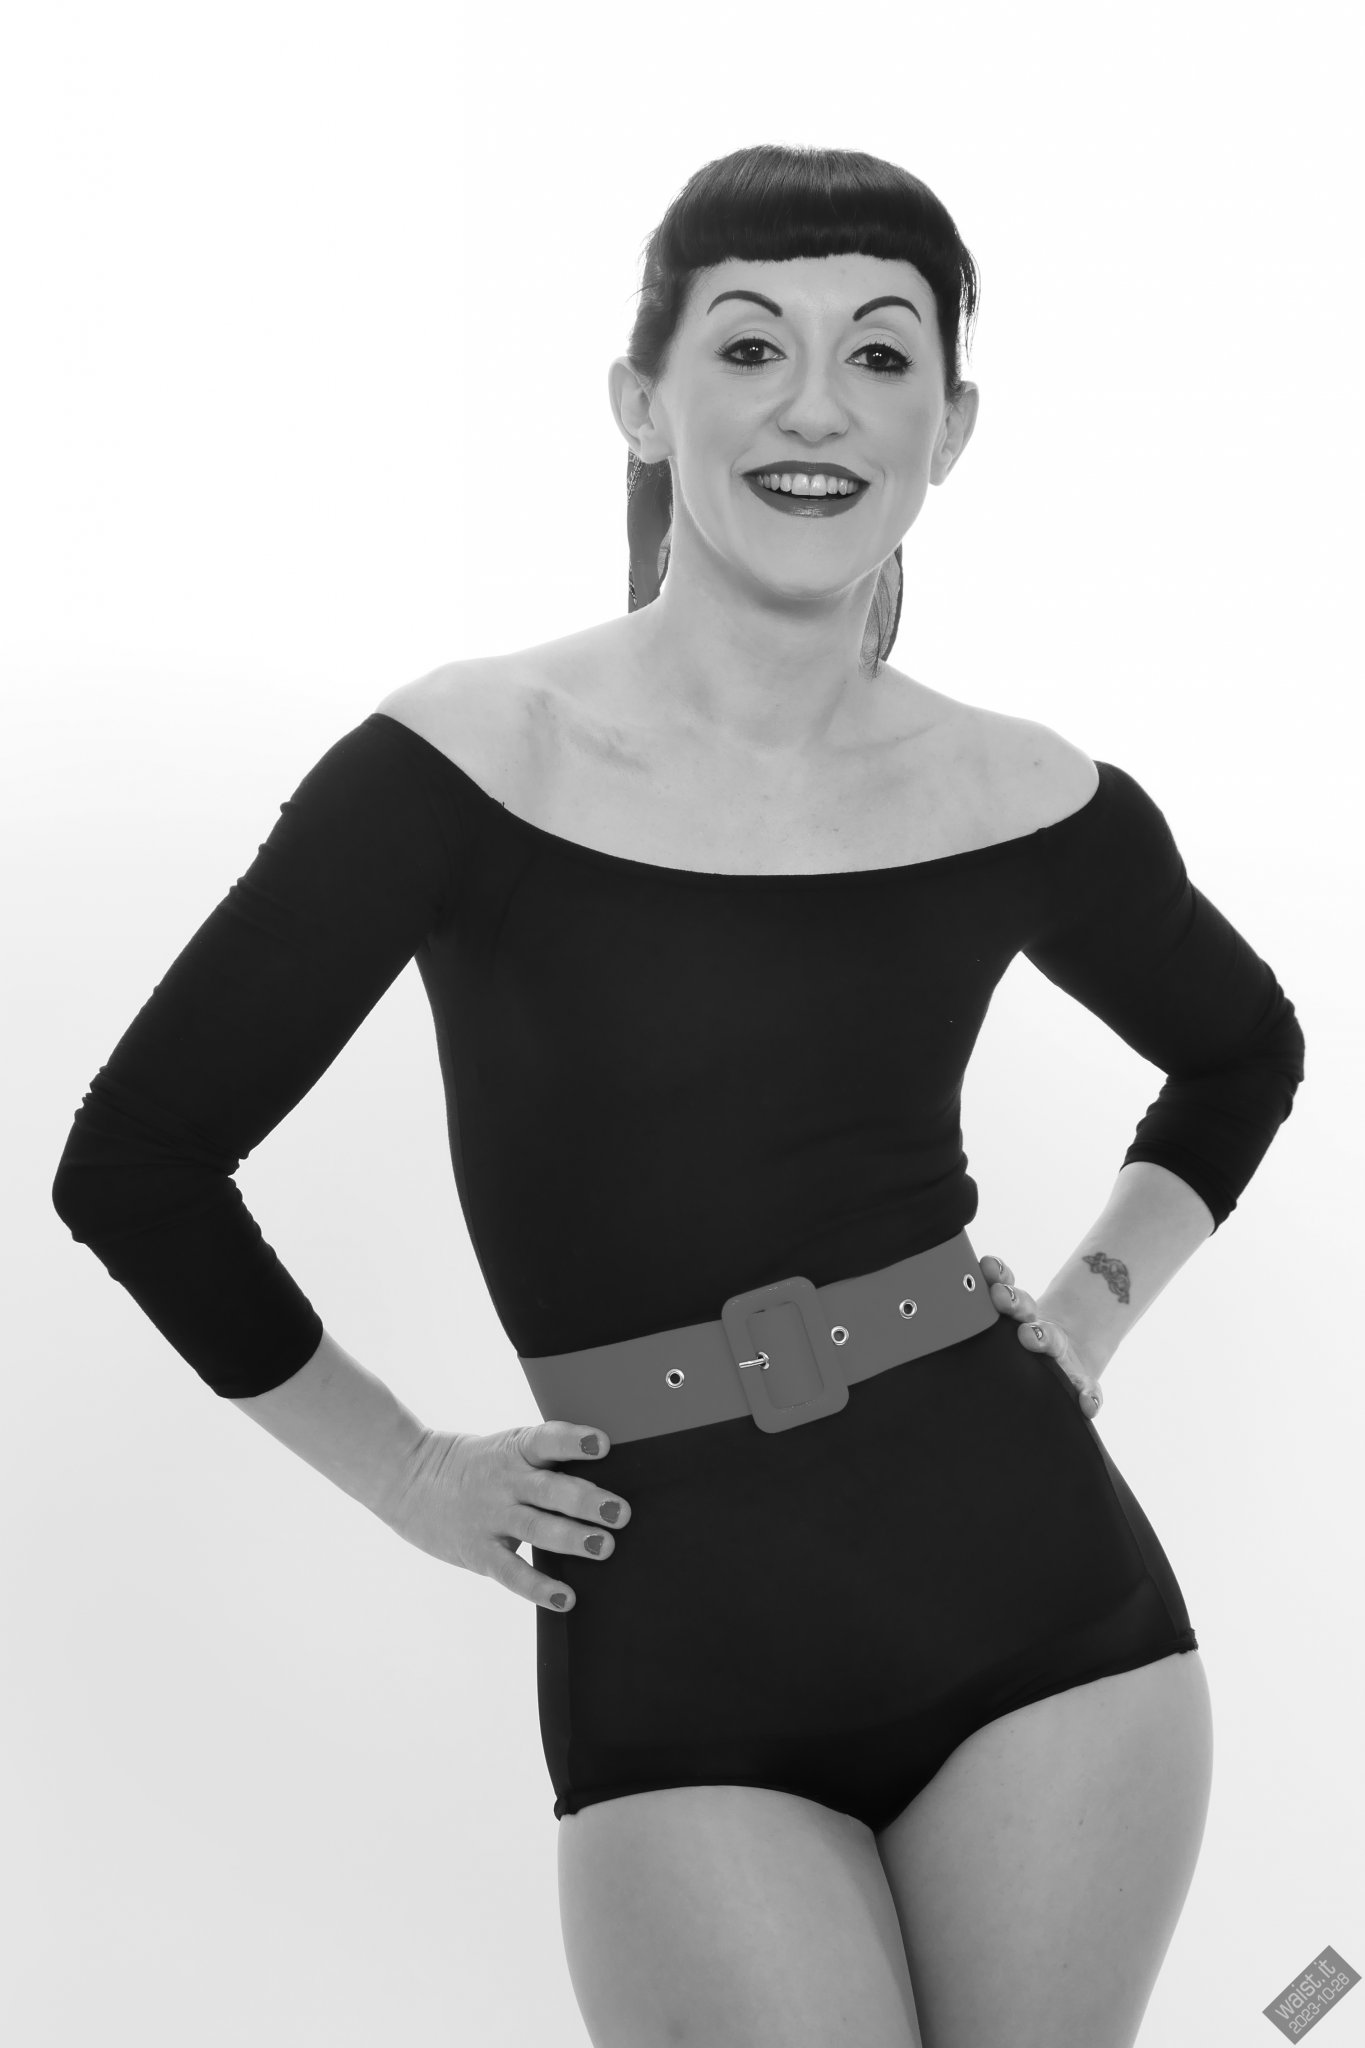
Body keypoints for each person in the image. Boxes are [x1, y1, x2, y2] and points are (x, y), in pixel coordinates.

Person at [51, 143, 1305, 2048]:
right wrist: (405, 1473)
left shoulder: (1023, 793)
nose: (816, 405)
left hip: (1044, 1614)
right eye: (748, 346)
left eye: (879, 355)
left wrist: (1092, 1308)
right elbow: (138, 1164)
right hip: (674, 1649)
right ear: (640, 400)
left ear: (951, 427)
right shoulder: (463, 762)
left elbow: (1240, 1050)